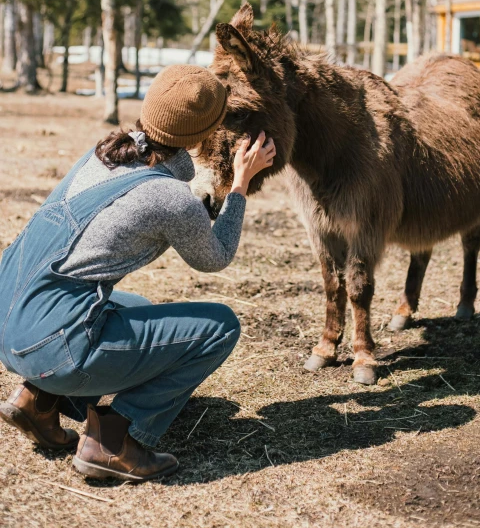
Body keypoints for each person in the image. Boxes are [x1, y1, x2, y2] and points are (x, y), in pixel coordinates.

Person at [0, 64, 275, 482]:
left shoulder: (102, 155)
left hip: (13, 320)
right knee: (220, 326)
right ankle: (112, 442)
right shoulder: (169, 198)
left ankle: (37, 401)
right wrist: (240, 185)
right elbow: (215, 258)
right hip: (55, 345)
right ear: (208, 132)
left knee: (136, 307)